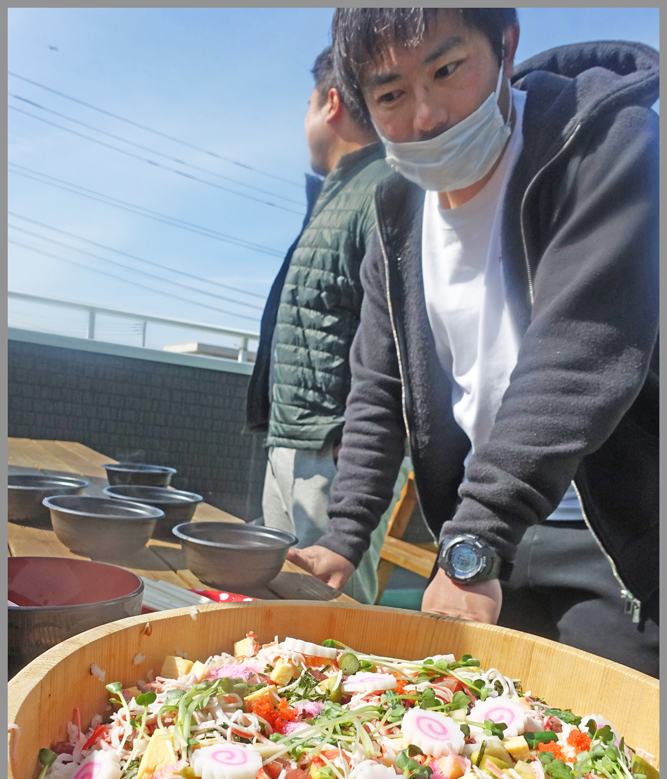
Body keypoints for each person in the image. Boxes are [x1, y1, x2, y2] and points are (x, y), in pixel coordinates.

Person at [287, 8, 659, 675]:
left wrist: (476, 540)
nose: (426, 115)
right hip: (482, 528)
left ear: (504, 48)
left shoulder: (604, 141)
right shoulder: (396, 211)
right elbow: (379, 387)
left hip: (611, 535)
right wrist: (344, 535)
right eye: (391, 94)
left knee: (615, 753)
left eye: (446, 69)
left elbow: (580, 354)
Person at [245, 46, 405, 605]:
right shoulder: (338, 194)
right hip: (292, 442)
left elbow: (395, 340)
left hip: (334, 455)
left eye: (307, 103)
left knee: (331, 620)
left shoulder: (385, 185)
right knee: (277, 608)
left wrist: (347, 446)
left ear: (329, 101)